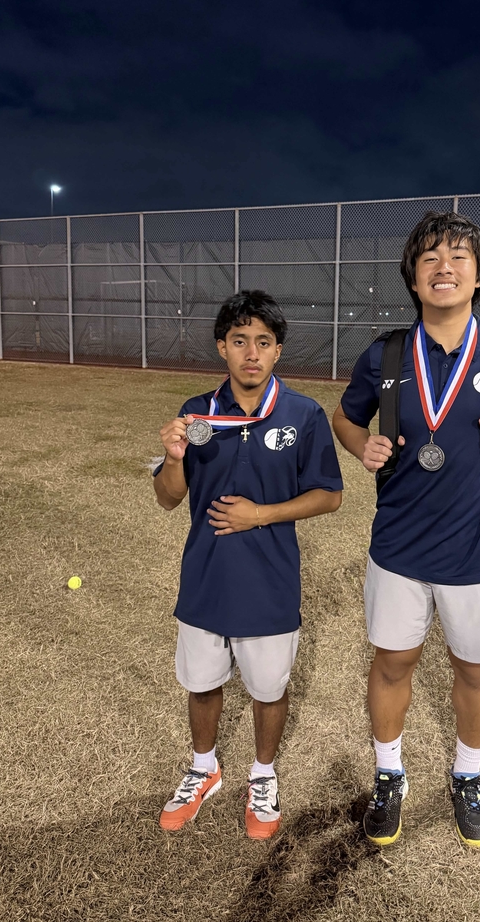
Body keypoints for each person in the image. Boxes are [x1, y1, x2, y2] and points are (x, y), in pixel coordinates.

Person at [332, 211, 480, 848]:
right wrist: (362, 447)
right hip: (399, 547)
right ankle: (390, 776)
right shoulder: (383, 355)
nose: (444, 267)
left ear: (479, 276)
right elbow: (345, 417)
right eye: (430, 257)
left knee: (474, 669)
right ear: (412, 278)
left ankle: (468, 776)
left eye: (458, 257)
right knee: (392, 663)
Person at [154, 290, 343, 839]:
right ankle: (204, 768)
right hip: (206, 576)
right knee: (201, 681)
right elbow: (168, 498)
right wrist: (172, 459)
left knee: (268, 688)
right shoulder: (196, 414)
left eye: (263, 342)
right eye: (240, 341)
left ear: (278, 351)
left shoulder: (303, 414)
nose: (251, 353)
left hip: (270, 580)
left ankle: (263, 775)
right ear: (222, 347)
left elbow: (329, 495)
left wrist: (261, 513)